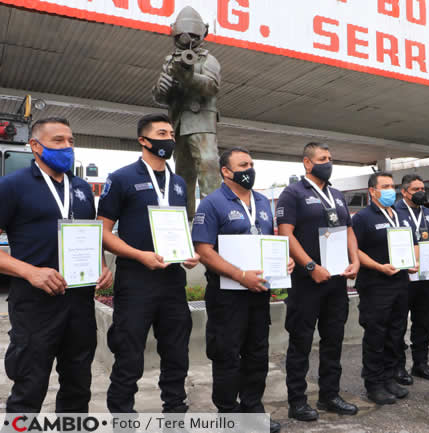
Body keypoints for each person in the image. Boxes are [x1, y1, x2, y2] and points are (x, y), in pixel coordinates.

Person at [0, 117, 112, 413]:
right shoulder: (12, 186)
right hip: (35, 304)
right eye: (58, 141)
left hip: (79, 303)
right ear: (35, 146)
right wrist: (30, 272)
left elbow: (90, 235)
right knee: (29, 387)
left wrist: (100, 264)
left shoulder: (82, 188)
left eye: (71, 141)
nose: (67, 147)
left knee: (78, 387)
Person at [97, 113, 200, 413]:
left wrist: (188, 254)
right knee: (129, 353)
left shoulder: (179, 183)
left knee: (177, 351)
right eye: (161, 133)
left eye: (171, 134)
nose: (168, 138)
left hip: (172, 280)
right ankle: (123, 415)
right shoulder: (121, 178)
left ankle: (175, 412)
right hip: (135, 279)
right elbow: (103, 232)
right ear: (143, 140)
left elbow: (182, 229)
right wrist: (139, 255)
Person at [192, 147, 292, 433]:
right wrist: (239, 275)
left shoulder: (262, 201)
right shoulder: (212, 204)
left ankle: (253, 410)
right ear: (226, 171)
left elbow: (268, 241)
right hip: (227, 296)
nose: (250, 168)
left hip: (258, 293)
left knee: (257, 354)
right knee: (226, 355)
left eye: (251, 164)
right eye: (243, 164)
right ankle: (228, 416)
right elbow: (203, 250)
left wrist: (283, 260)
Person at [277, 142, 360, 421]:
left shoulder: (336, 194)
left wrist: (355, 260)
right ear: (307, 163)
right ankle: (297, 401)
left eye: (331, 158)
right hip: (306, 282)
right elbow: (285, 233)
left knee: (333, 340)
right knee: (301, 342)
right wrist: (310, 266)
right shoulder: (293, 193)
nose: (329, 162)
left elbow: (348, 229)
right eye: (323, 158)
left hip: (336, 281)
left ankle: (329, 395)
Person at [353, 172, 420, 405]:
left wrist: (412, 263)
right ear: (373, 191)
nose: (391, 190)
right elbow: (355, 251)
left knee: (395, 333)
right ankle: (374, 383)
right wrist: (379, 267)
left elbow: (409, 244)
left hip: (400, 283)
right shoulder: (362, 218)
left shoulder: (400, 216)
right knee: (376, 335)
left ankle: (390, 377)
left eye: (392, 185)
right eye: (385, 186)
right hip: (375, 285)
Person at [153, 5, 222, 219]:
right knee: (183, 176)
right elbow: (161, 97)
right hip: (179, 124)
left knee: (209, 169)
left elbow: (211, 86)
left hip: (202, 123)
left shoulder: (208, 60)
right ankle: (186, 219)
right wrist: (160, 89)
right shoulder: (170, 62)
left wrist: (186, 76)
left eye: (191, 35)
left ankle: (217, 218)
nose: (186, 39)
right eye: (182, 35)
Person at [393, 174, 429, 385]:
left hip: (426, 278)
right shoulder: (394, 213)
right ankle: (398, 366)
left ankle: (420, 363)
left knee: (424, 322)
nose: (421, 192)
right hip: (402, 279)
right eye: (415, 189)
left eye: (422, 188)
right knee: (398, 324)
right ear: (404, 192)